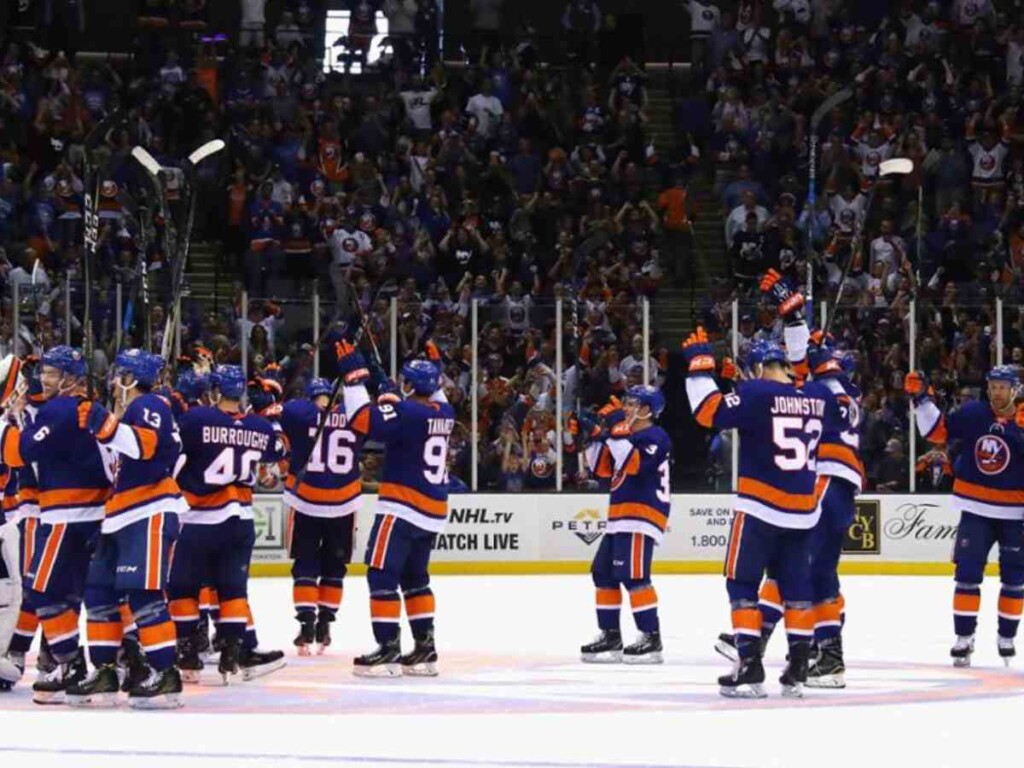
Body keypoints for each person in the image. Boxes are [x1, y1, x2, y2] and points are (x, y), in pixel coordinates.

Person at [682, 326, 835, 698]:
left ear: (761, 367)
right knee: (795, 588)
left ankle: (749, 666)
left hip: (760, 507)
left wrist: (700, 371)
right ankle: (798, 666)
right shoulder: (817, 394)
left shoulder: (756, 392)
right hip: (802, 510)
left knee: (742, 583)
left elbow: (708, 412)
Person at [71, 349, 185, 708]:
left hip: (149, 509)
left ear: (133, 377)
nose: (114, 378)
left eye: (121, 372)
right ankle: (105, 671)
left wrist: (106, 425)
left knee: (144, 594)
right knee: (99, 591)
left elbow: (145, 446)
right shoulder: (131, 411)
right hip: (119, 514)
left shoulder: (150, 404)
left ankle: (166, 673)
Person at [335, 341, 455, 677]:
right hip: (432, 511)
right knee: (416, 578)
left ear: (410, 386)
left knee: (381, 574)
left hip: (402, 507)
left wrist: (353, 379)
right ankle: (425, 648)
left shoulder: (407, 412)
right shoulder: (444, 412)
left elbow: (362, 420)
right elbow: (434, 394)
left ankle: (388, 647)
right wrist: (395, 395)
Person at [0, 346, 112, 704]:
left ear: (69, 378)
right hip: (91, 514)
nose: (43, 379)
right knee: (71, 592)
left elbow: (20, 454)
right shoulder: (85, 408)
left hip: (69, 515)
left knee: (42, 588)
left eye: (51, 373)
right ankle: (99, 662)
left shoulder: (62, 408)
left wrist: (8, 423)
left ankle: (71, 662)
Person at [169, 365, 287, 683]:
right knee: (233, 590)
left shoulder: (196, 419)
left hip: (198, 518)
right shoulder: (260, 426)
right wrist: (270, 413)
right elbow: (280, 449)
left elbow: (173, 457)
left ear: (217, 390)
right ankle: (232, 658)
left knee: (182, 587)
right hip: (241, 520)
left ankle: (188, 656)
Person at [906, 364, 1024, 667]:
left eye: (1003, 386)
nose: (997, 391)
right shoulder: (974, 414)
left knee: (1014, 580)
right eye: (993, 386)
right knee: (967, 575)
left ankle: (1006, 636)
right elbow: (936, 432)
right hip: (975, 508)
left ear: (1015, 389)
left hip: (1016, 513)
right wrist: (922, 400)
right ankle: (964, 637)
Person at [578, 385, 671, 664]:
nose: (627, 408)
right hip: (620, 515)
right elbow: (602, 468)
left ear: (647, 410)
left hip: (641, 514)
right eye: (626, 403)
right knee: (603, 573)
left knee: (634, 577)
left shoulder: (656, 435)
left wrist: (616, 429)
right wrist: (595, 436)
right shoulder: (627, 435)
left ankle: (651, 638)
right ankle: (610, 635)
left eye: (632, 404)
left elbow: (633, 464)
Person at [279, 377, 363, 654]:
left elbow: (288, 409)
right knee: (334, 567)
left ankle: (306, 624)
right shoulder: (353, 414)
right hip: (344, 503)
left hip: (306, 502)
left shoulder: (301, 415)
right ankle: (326, 623)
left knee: (305, 564)